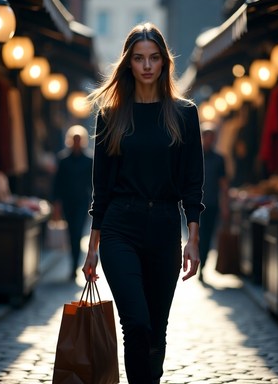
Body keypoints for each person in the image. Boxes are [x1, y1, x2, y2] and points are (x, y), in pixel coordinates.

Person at [82, 22, 204, 384]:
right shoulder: (111, 115)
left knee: (156, 329)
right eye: (139, 58)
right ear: (129, 63)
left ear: (164, 62)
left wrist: (193, 239)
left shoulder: (183, 114)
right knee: (135, 323)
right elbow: (100, 189)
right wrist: (93, 248)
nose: (147, 65)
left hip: (165, 226)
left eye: (153, 58)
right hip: (121, 227)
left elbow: (193, 184)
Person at [52, 125, 92, 280]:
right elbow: (57, 184)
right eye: (74, 139)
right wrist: (56, 204)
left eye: (79, 139)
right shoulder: (63, 160)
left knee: (77, 232)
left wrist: (93, 203)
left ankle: (75, 265)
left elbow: (93, 184)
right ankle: (73, 265)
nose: (76, 142)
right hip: (68, 202)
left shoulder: (89, 160)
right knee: (71, 234)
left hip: (82, 202)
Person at [198, 122, 229, 283]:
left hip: (211, 204)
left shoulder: (219, 159)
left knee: (207, 236)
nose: (209, 140)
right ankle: (199, 264)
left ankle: (202, 267)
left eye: (212, 137)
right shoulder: (195, 156)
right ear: (202, 137)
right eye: (207, 136)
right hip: (196, 204)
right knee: (198, 236)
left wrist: (225, 206)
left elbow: (223, 184)